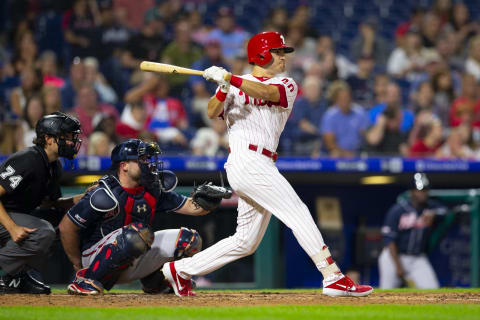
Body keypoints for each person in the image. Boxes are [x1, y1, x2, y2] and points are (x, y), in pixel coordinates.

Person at [161, 31, 374, 297]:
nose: (283, 57)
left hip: (261, 161)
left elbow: (267, 92)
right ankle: (332, 276)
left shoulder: (287, 83)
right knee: (297, 211)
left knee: (246, 241)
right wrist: (223, 87)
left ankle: (181, 270)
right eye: (278, 52)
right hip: (246, 160)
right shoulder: (235, 82)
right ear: (261, 53)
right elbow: (212, 112)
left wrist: (230, 78)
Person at [59, 139, 231, 295]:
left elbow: (191, 207)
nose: (148, 164)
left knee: (190, 240)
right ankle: (85, 280)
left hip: (135, 248)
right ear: (124, 165)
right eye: (142, 159)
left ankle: (154, 282)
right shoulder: (104, 192)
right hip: (95, 258)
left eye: (148, 159)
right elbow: (67, 226)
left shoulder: (151, 189)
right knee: (137, 234)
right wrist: (77, 264)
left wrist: (209, 202)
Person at [0, 112, 83, 294]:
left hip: (7, 217)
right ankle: (5, 274)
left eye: (72, 137)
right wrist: (12, 228)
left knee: (52, 234)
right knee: (43, 232)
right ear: (48, 139)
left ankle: (15, 278)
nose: (71, 142)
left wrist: (80, 198)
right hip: (4, 218)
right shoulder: (28, 159)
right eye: (66, 137)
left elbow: (49, 203)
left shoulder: (53, 166)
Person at [378, 173, 445, 289]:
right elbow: (389, 240)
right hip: (393, 257)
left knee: (432, 289)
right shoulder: (398, 210)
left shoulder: (430, 207)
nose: (423, 193)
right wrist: (398, 266)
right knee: (386, 291)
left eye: (425, 190)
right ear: (412, 192)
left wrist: (435, 214)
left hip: (417, 258)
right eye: (419, 190)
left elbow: (445, 211)